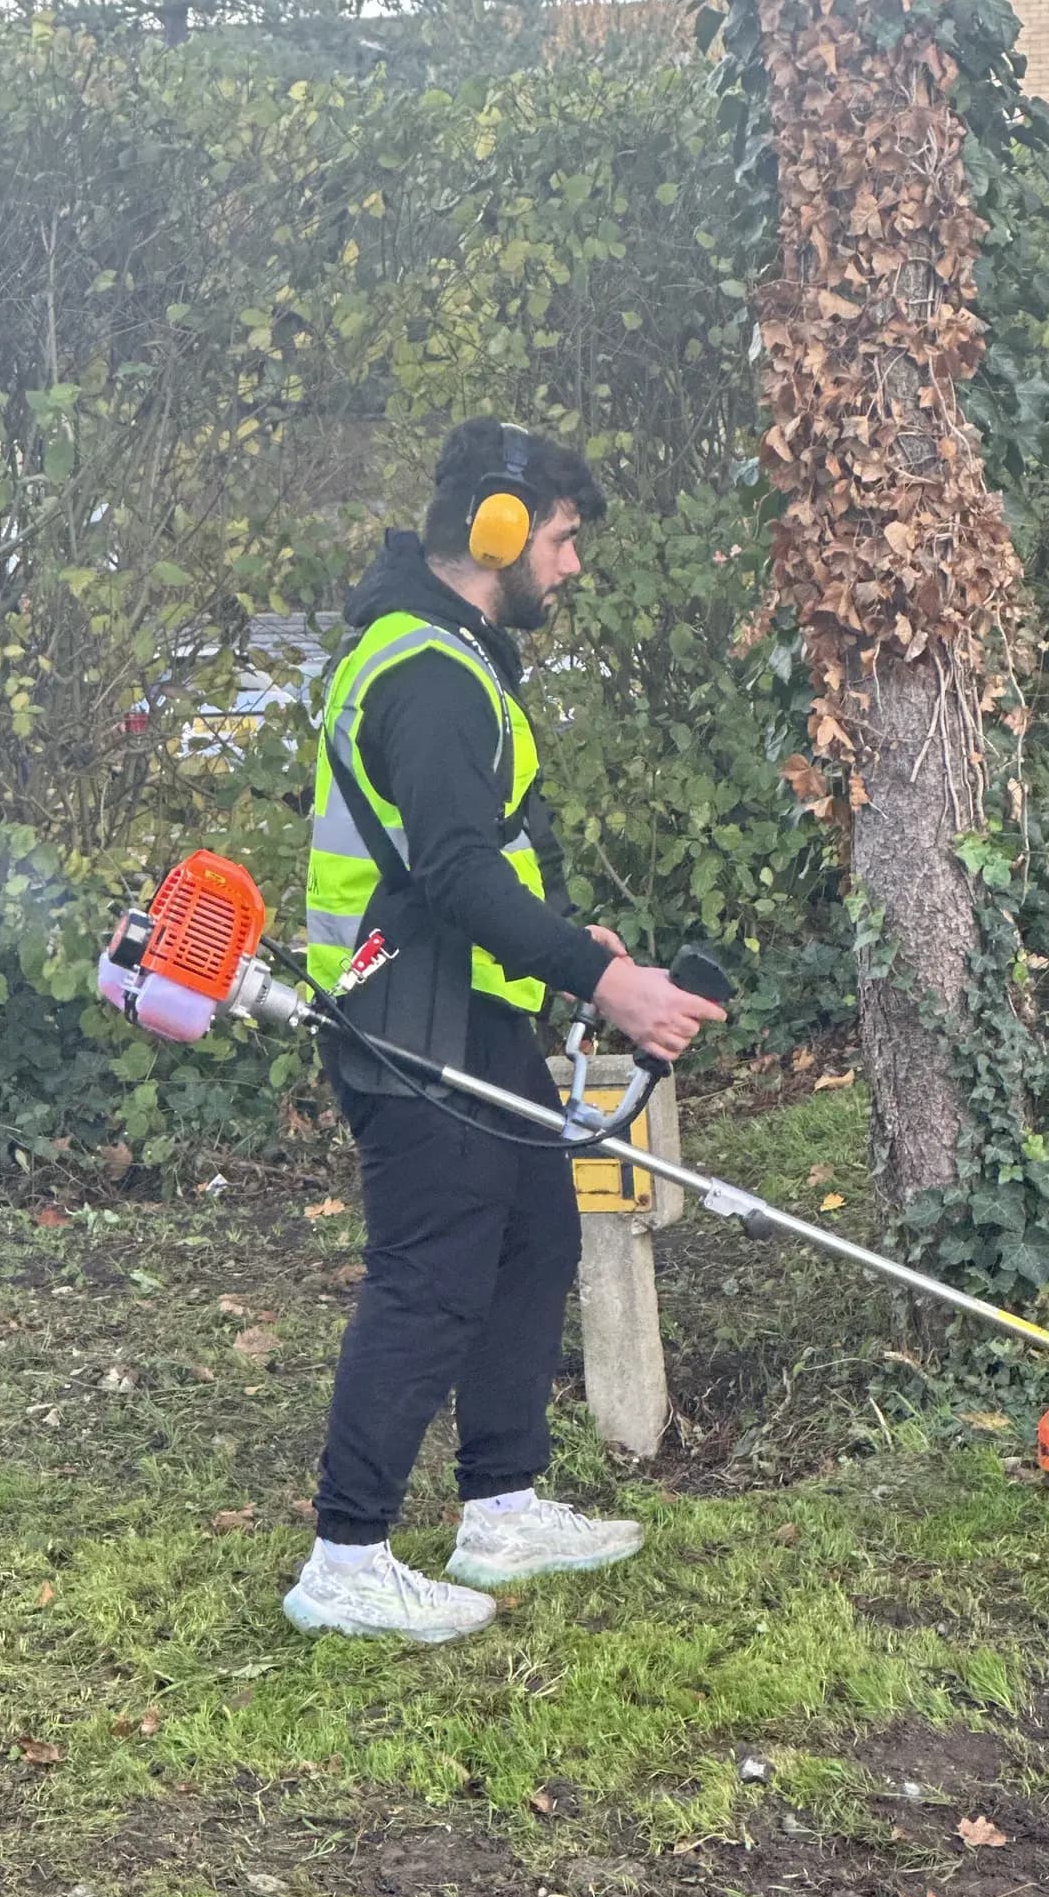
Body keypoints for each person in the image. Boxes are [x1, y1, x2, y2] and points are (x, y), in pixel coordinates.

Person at [285, 419, 726, 1647]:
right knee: (430, 1273)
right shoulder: (425, 676)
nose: (572, 565)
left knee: (534, 1230)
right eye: (565, 538)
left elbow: (493, 870)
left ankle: (502, 1502)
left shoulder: (453, 653)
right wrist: (606, 982)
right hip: (406, 1015)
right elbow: (458, 873)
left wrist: (577, 950)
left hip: (459, 1002)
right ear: (495, 530)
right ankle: (348, 1552)